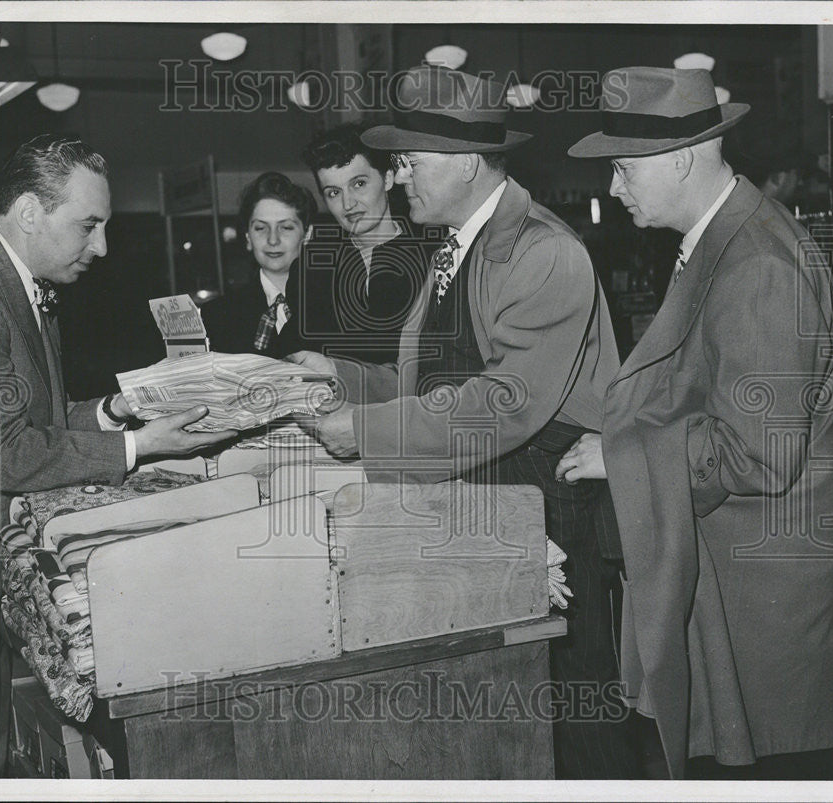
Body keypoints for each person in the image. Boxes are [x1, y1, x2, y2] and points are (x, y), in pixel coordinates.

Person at [290, 66, 636, 779]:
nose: (398, 174)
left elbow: (502, 403)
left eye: (410, 160)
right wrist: (339, 375)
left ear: (469, 163)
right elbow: (428, 384)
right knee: (501, 726)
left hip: (545, 516)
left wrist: (370, 432)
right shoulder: (454, 245)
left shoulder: (542, 251)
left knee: (572, 725)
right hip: (479, 509)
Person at [561, 66, 833, 779]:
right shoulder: (728, 235)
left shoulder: (756, 265)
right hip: (743, 582)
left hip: (764, 606)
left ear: (683, 159)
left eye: (625, 171)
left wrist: (622, 454)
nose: (613, 189)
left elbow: (759, 454)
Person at [0, 134, 237, 778]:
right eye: (88, 225)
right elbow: (5, 453)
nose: (102, 246)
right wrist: (141, 446)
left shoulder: (14, 283)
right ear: (30, 212)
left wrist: (118, 410)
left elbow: (35, 420)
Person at [298, 122, 429, 362]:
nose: (348, 204)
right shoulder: (313, 267)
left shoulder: (431, 258)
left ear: (388, 180)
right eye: (333, 193)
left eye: (358, 184)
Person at [200, 171, 317, 358]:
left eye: (286, 227)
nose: (273, 239)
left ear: (307, 235)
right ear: (248, 237)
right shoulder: (216, 316)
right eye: (261, 228)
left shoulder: (336, 308)